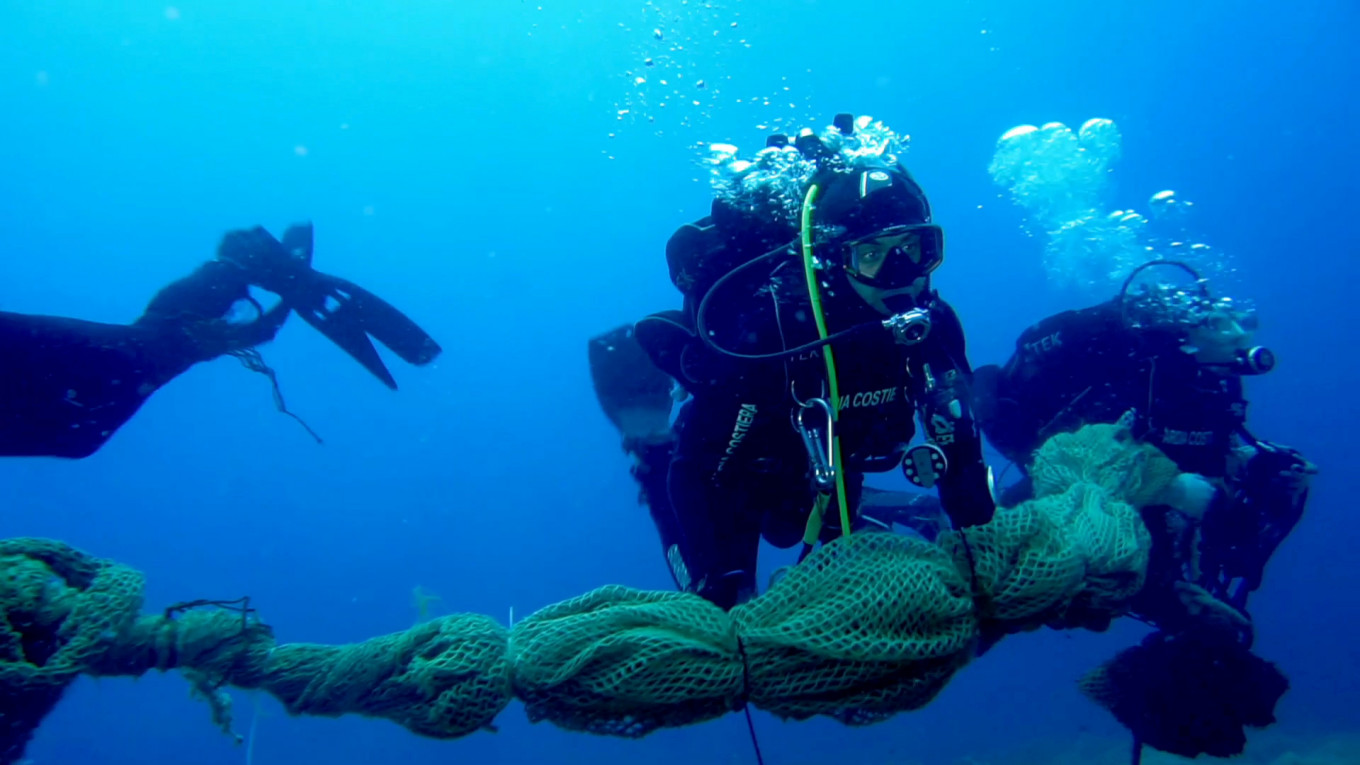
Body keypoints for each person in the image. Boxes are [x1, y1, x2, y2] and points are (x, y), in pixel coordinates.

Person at [590, 114, 996, 610]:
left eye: (914, 249)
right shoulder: (773, 334)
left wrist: (981, 548)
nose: (899, 275)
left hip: (826, 463)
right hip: (735, 470)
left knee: (796, 523)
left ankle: (865, 511)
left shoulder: (931, 325)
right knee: (726, 596)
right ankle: (647, 449)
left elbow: (961, 449)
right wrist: (722, 584)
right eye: (872, 255)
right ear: (831, 259)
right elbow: (698, 470)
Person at [970, 261, 1313, 760]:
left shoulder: (1209, 382)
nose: (1239, 337)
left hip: (1139, 513)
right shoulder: (1134, 378)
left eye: (1241, 322)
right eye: (1221, 325)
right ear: (1188, 332)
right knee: (1017, 590)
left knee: (1213, 622)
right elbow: (1075, 469)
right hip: (1074, 502)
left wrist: (1257, 468)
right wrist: (1168, 490)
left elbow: (1213, 454)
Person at [1, 223, 442, 458]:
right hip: (99, 389)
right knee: (86, 419)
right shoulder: (103, 385)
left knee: (89, 412)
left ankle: (238, 274)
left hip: (98, 386)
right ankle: (238, 275)